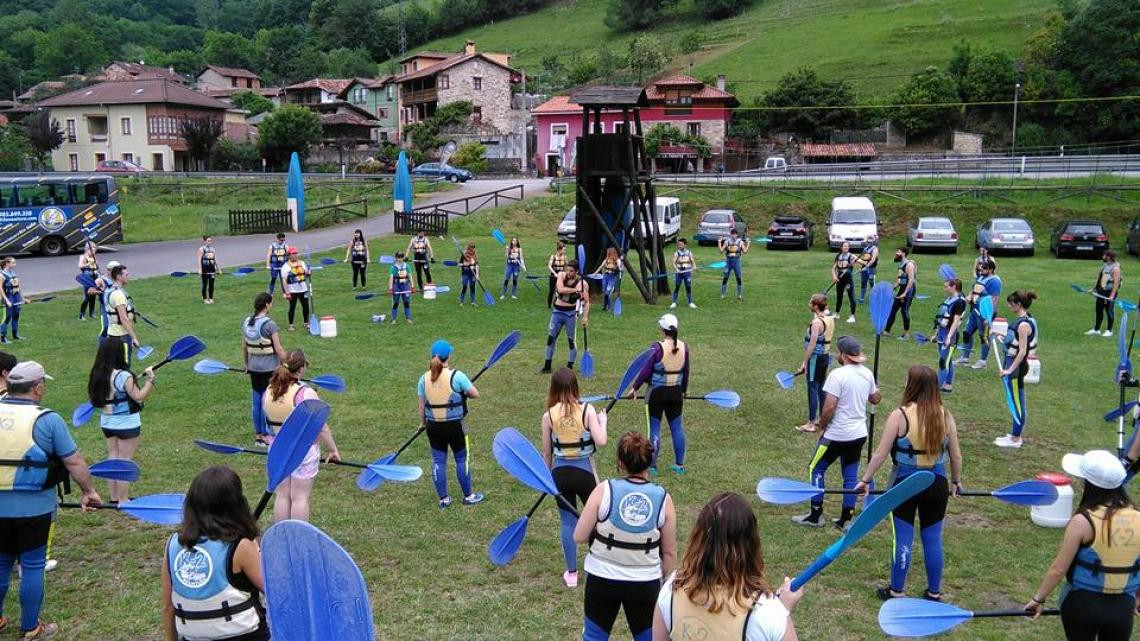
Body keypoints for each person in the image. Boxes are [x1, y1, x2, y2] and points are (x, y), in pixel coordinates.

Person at [0, 361, 101, 640]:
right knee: (32, 566)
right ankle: (31, 627)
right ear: (37, 388)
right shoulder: (48, 419)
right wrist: (88, 491)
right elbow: (74, 461)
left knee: (0, 564)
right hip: (35, 507)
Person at [856, 365, 962, 601]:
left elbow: (881, 454)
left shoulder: (900, 415)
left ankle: (897, 590)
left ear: (912, 385)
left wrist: (865, 479)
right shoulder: (945, 415)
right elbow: (956, 456)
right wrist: (956, 481)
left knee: (903, 538)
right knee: (933, 539)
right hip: (937, 484)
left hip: (905, 483)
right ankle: (934, 592)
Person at [653, 493, 803, 641]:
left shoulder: (672, 589)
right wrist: (783, 610)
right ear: (751, 545)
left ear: (699, 539)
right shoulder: (767, 612)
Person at [1025, 450, 1140, 641]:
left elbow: (1058, 569)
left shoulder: (1082, 521)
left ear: (1089, 484)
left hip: (1082, 604)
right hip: (1122, 608)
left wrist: (1038, 599)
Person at [574, 432, 677, 641]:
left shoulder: (604, 490)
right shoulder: (664, 499)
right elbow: (669, 551)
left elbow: (579, 536)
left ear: (621, 464)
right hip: (644, 584)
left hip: (602, 579)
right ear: (649, 462)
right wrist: (666, 586)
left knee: (594, 637)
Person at [162, 466, 268, 641]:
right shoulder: (241, 546)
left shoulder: (173, 544)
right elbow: (272, 590)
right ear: (236, 504)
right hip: (243, 635)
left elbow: (168, 607)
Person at [794, 336, 880, 531]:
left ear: (843, 354)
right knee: (850, 476)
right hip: (859, 434)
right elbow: (876, 399)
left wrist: (821, 425)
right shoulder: (867, 373)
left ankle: (815, 516)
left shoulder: (837, 375)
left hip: (837, 434)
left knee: (816, 468)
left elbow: (829, 407)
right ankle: (845, 519)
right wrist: (874, 387)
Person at [541, 367, 608, 588]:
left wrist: (546, 478)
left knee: (568, 522)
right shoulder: (587, 410)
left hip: (559, 475)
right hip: (585, 473)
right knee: (595, 520)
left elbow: (547, 452)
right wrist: (602, 422)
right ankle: (595, 567)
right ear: (575, 387)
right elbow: (601, 441)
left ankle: (571, 573)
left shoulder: (548, 416)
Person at [262, 350, 341, 521]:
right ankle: (298, 538)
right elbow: (322, 428)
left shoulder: (269, 390)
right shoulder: (305, 393)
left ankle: (283, 535)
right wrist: (333, 450)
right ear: (301, 369)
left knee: (282, 495)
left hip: (277, 447)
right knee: (299, 497)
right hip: (303, 451)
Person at [88, 338, 156, 503]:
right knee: (124, 461)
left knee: (113, 457)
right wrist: (150, 380)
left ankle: (114, 497)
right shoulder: (124, 375)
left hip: (107, 423)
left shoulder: (98, 373)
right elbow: (138, 397)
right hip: (127, 424)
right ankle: (123, 499)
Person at [418, 340, 483, 509]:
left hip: (433, 427)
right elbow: (475, 394)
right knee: (462, 459)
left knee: (438, 461)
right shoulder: (457, 376)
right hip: (455, 426)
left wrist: (422, 424)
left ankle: (444, 499)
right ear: (449, 356)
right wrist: (463, 392)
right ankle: (469, 496)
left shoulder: (423, 379)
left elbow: (422, 406)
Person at [630, 314, 690, 476]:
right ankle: (679, 465)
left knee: (654, 429)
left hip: (656, 394)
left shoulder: (656, 348)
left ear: (663, 330)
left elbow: (646, 371)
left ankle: (653, 467)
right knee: (677, 428)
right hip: (676, 393)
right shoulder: (685, 347)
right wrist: (683, 391)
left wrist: (635, 388)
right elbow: (686, 372)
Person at [995, 290, 1038, 449]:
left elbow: (1022, 351)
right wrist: (998, 334)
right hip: (1012, 364)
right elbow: (1012, 341)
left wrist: (1009, 370)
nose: (1008, 305)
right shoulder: (1022, 320)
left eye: (1010, 303)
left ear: (1018, 304)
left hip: (1016, 367)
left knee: (1017, 402)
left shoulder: (1024, 325)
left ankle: (1015, 438)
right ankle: (1014, 433)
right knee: (1013, 400)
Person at [242, 293, 286, 448]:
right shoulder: (270, 325)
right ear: (267, 305)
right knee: (267, 401)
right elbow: (279, 349)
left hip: (254, 369)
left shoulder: (247, 322)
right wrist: (286, 365)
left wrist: (246, 364)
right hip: (269, 370)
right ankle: (267, 435)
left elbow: (245, 346)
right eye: (271, 303)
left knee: (256, 402)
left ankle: (258, 435)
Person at [794, 294, 834, 434]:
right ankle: (823, 420)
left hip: (815, 359)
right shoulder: (829, 318)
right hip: (825, 357)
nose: (809, 305)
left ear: (816, 306)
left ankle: (811, 423)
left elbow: (812, 344)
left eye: (811, 303)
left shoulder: (817, 323)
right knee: (821, 387)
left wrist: (804, 362)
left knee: (812, 388)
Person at [543, 260, 590, 373]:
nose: (568, 272)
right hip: (557, 312)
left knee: (571, 341)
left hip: (570, 314)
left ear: (577, 271)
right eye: (567, 270)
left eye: (571, 271)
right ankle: (547, 366)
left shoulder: (582, 284)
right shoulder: (561, 275)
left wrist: (585, 317)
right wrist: (576, 290)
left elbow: (587, 302)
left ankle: (569, 366)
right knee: (551, 339)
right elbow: (560, 289)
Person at [956, 258, 1002, 370]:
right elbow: (974, 288)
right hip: (974, 310)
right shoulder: (981, 276)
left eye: (985, 268)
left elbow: (994, 299)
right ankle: (965, 357)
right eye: (981, 267)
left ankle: (982, 361)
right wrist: (969, 296)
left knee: (983, 336)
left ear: (991, 269)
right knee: (967, 332)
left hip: (985, 313)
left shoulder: (995, 281)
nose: (981, 270)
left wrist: (989, 316)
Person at [933, 278, 966, 393]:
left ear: (954, 287)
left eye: (946, 286)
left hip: (949, 335)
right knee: (947, 359)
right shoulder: (949, 299)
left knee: (943, 361)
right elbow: (942, 317)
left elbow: (956, 322)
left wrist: (949, 337)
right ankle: (948, 385)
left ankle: (936, 388)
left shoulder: (959, 302)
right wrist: (936, 334)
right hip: (942, 332)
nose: (945, 289)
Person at [104, 264, 140, 367]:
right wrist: (134, 337)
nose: (128, 276)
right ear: (119, 277)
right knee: (124, 366)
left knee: (116, 365)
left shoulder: (111, 290)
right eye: (126, 274)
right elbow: (124, 318)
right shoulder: (118, 294)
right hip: (121, 336)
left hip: (113, 334)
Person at [882, 247, 916, 340]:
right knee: (893, 309)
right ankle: (886, 331)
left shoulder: (909, 265)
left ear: (904, 254)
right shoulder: (901, 265)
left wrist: (905, 293)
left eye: (899, 252)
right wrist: (892, 288)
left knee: (904, 311)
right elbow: (900, 280)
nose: (896, 253)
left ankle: (906, 334)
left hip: (909, 290)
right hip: (903, 288)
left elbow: (911, 280)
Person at [1088, 249, 1122, 337]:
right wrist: (1094, 289)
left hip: (1109, 293)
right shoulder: (1105, 266)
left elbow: (1116, 283)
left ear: (1109, 257)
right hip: (1101, 292)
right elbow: (1099, 279)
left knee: (1109, 311)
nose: (1103, 257)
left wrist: (1112, 295)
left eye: (1104, 255)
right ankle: (1096, 329)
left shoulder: (1116, 268)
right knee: (1098, 310)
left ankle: (1109, 331)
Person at [280, 247, 311, 332]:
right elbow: (284, 281)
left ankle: (306, 322)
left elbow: (306, 274)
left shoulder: (302, 263)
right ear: (289, 255)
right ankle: (291, 325)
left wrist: (309, 273)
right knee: (292, 307)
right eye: (293, 254)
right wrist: (287, 292)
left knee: (305, 306)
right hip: (292, 290)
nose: (295, 255)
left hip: (303, 289)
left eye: (295, 253)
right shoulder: (285, 267)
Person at [719, 228, 750, 301]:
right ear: (730, 234)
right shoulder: (727, 242)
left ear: (737, 235)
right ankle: (723, 295)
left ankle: (739, 295)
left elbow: (745, 251)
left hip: (736, 261)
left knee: (738, 278)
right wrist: (719, 242)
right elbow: (721, 251)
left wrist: (748, 243)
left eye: (735, 234)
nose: (733, 235)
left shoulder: (740, 242)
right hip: (728, 262)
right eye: (732, 234)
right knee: (725, 278)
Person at [93, 260, 119, 345]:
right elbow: (90, 290)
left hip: (116, 305)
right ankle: (101, 344)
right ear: (110, 270)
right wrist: (101, 291)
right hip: (105, 306)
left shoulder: (117, 279)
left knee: (118, 324)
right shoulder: (101, 280)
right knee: (106, 326)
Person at [831, 242, 857, 323]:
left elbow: (862, 262)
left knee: (851, 297)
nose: (846, 247)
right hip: (840, 279)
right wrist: (834, 277)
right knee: (839, 296)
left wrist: (857, 261)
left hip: (848, 279)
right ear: (841, 247)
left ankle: (852, 316)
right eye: (844, 246)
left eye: (847, 246)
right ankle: (837, 313)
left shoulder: (851, 256)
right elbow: (833, 268)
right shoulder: (838, 256)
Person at [0, 257, 23, 343]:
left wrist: (23, 297)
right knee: (7, 317)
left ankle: (15, 335)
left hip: (16, 297)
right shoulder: (2, 275)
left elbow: (18, 286)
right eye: (13, 263)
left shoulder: (13, 273)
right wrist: (7, 300)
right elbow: (0, 289)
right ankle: (2, 338)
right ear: (7, 264)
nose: (15, 264)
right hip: (8, 297)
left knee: (16, 315)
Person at [670, 238, 697, 309]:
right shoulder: (676, 253)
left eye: (681, 245)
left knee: (688, 287)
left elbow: (692, 261)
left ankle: (690, 302)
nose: (679, 246)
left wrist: (694, 266)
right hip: (679, 273)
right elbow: (673, 263)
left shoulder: (689, 253)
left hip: (687, 272)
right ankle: (674, 302)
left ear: (685, 245)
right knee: (677, 286)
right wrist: (677, 269)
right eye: (678, 245)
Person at [594, 247, 623, 312]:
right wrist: (595, 273)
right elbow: (601, 266)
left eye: (609, 253)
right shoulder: (606, 260)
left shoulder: (617, 260)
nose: (607, 254)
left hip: (612, 277)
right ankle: (605, 306)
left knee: (608, 292)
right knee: (605, 292)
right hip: (605, 277)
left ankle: (609, 307)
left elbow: (621, 269)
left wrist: (621, 265)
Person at [389, 252, 413, 324]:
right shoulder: (393, 267)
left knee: (406, 302)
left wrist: (412, 287)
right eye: (398, 257)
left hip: (405, 286)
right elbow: (391, 278)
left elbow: (410, 276)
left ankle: (408, 318)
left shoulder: (407, 266)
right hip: (396, 286)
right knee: (396, 303)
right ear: (396, 258)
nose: (400, 259)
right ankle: (393, 319)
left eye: (401, 257)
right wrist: (391, 289)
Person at [77, 241, 99, 320]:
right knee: (87, 297)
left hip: (94, 276)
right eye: (92, 250)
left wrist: (96, 268)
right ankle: (81, 315)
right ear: (87, 249)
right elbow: (80, 266)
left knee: (93, 296)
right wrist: (88, 264)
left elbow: (96, 267)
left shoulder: (93, 257)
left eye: (94, 250)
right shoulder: (83, 256)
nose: (93, 252)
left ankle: (92, 313)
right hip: (86, 277)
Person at [856, 235, 879, 304]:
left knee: (871, 282)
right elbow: (863, 259)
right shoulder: (865, 249)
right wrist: (861, 267)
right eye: (868, 241)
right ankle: (861, 299)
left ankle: (874, 299)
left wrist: (866, 267)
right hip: (864, 269)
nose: (869, 243)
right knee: (863, 283)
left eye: (870, 241)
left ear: (873, 241)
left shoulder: (875, 249)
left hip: (871, 268)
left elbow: (873, 260)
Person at [196, 236, 218, 304]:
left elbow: (215, 259)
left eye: (210, 240)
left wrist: (218, 269)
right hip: (205, 269)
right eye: (208, 240)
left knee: (211, 284)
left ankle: (211, 298)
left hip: (212, 269)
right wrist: (200, 270)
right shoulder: (201, 249)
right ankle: (205, 299)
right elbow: (199, 260)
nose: (209, 242)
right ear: (205, 241)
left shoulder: (213, 249)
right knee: (205, 284)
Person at [265, 232, 288, 296]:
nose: (283, 241)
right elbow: (269, 255)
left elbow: (288, 254)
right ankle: (270, 293)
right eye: (281, 240)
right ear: (277, 239)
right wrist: (268, 265)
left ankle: (285, 293)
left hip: (282, 264)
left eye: (284, 240)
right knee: (273, 279)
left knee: (283, 279)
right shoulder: (272, 246)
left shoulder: (285, 246)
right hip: (274, 265)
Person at [548, 242, 568, 309]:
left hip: (561, 275)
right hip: (554, 275)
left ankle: (556, 304)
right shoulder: (553, 257)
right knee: (551, 291)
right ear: (559, 249)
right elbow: (549, 266)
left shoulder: (565, 257)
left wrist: (565, 273)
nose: (564, 251)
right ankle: (549, 305)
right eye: (564, 250)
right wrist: (554, 274)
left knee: (559, 291)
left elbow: (566, 266)